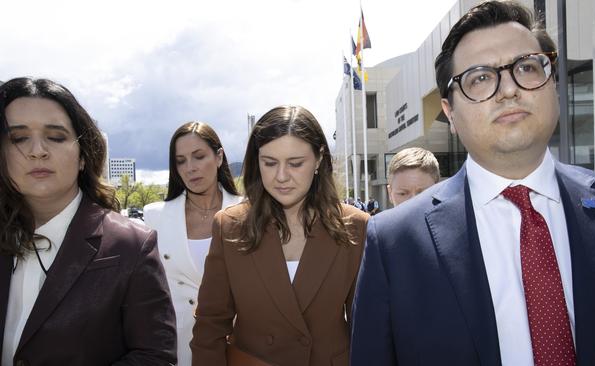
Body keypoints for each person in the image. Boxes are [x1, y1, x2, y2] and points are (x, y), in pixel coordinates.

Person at [351, 1, 595, 365]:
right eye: (480, 77)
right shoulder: (395, 243)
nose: (509, 89)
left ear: (553, 84)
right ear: (449, 112)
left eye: (526, 67)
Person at [0, 77, 176, 365]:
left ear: (83, 155)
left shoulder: (132, 245)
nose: (37, 150)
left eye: (55, 136)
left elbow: (155, 357)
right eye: (18, 138)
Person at [191, 105, 369, 366]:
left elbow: (366, 328)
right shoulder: (229, 226)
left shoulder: (356, 226)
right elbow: (210, 326)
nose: (281, 177)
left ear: (319, 159)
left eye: (295, 163)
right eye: (270, 163)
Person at [144, 121, 242, 366]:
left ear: (219, 157)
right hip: (175, 348)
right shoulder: (154, 217)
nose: (190, 168)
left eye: (199, 156)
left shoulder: (248, 212)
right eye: (181, 160)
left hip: (237, 343)